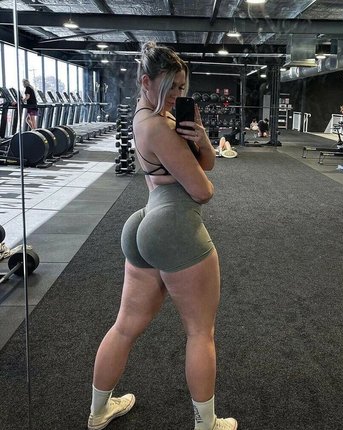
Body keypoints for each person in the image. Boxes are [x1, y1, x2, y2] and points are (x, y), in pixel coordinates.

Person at [87, 42, 237, 430]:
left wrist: (201, 138)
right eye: (170, 87)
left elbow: (203, 163)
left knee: (125, 325)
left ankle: (98, 412)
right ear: (146, 82)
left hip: (144, 222)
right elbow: (203, 189)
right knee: (200, 332)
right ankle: (207, 424)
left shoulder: (144, 117)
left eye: (182, 88)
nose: (176, 95)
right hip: (173, 226)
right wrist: (187, 173)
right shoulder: (159, 125)